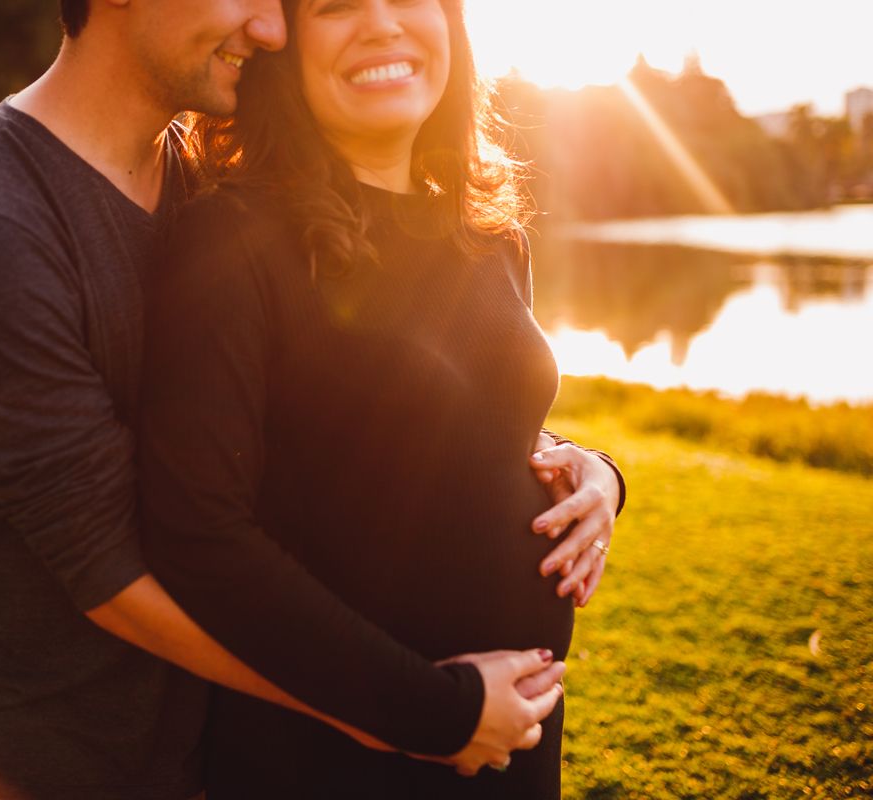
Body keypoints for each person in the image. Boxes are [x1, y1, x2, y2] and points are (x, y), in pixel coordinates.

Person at [0, 0, 616, 798]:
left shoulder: (190, 170)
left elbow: (366, 412)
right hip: (63, 762)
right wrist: (413, 715)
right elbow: (117, 574)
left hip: (212, 744)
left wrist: (588, 469)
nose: (273, 30)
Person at [137, 0, 625, 797]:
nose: (383, 24)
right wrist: (437, 713)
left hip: (513, 743)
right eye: (337, 6)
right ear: (286, 49)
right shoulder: (231, 240)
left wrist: (599, 475)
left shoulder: (492, 234)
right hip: (334, 758)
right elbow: (197, 536)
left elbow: (472, 425)